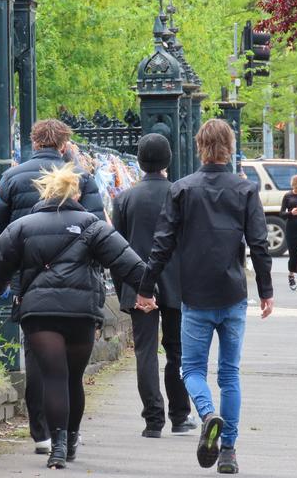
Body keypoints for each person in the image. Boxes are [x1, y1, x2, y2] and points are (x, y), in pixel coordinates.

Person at [0, 164, 146, 469]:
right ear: (77, 193)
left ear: (45, 192)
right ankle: (71, 439)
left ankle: (56, 447)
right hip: (81, 312)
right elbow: (129, 263)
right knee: (73, 378)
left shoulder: (23, 226)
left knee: (53, 376)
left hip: (39, 312)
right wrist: (148, 292)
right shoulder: (93, 226)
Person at [136, 119, 274, 474]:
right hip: (232, 293)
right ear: (229, 145)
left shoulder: (182, 189)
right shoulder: (245, 190)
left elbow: (162, 243)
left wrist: (147, 286)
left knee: (192, 368)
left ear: (200, 146)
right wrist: (266, 290)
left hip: (194, 294)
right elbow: (259, 244)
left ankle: (207, 412)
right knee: (230, 374)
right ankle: (228, 451)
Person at [0, 119, 105, 454]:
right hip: (78, 280)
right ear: (64, 144)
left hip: (30, 279)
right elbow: (97, 230)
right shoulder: (81, 178)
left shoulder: (11, 177)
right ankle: (67, 431)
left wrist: (4, 272)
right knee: (69, 365)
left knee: (37, 357)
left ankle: (41, 432)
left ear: (34, 141)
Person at [111, 133, 195, 439]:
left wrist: (124, 289)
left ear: (139, 161)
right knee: (177, 351)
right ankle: (180, 415)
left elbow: (116, 249)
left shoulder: (124, 199)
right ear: (168, 160)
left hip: (137, 283)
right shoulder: (181, 194)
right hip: (177, 283)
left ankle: (153, 419)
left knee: (145, 353)